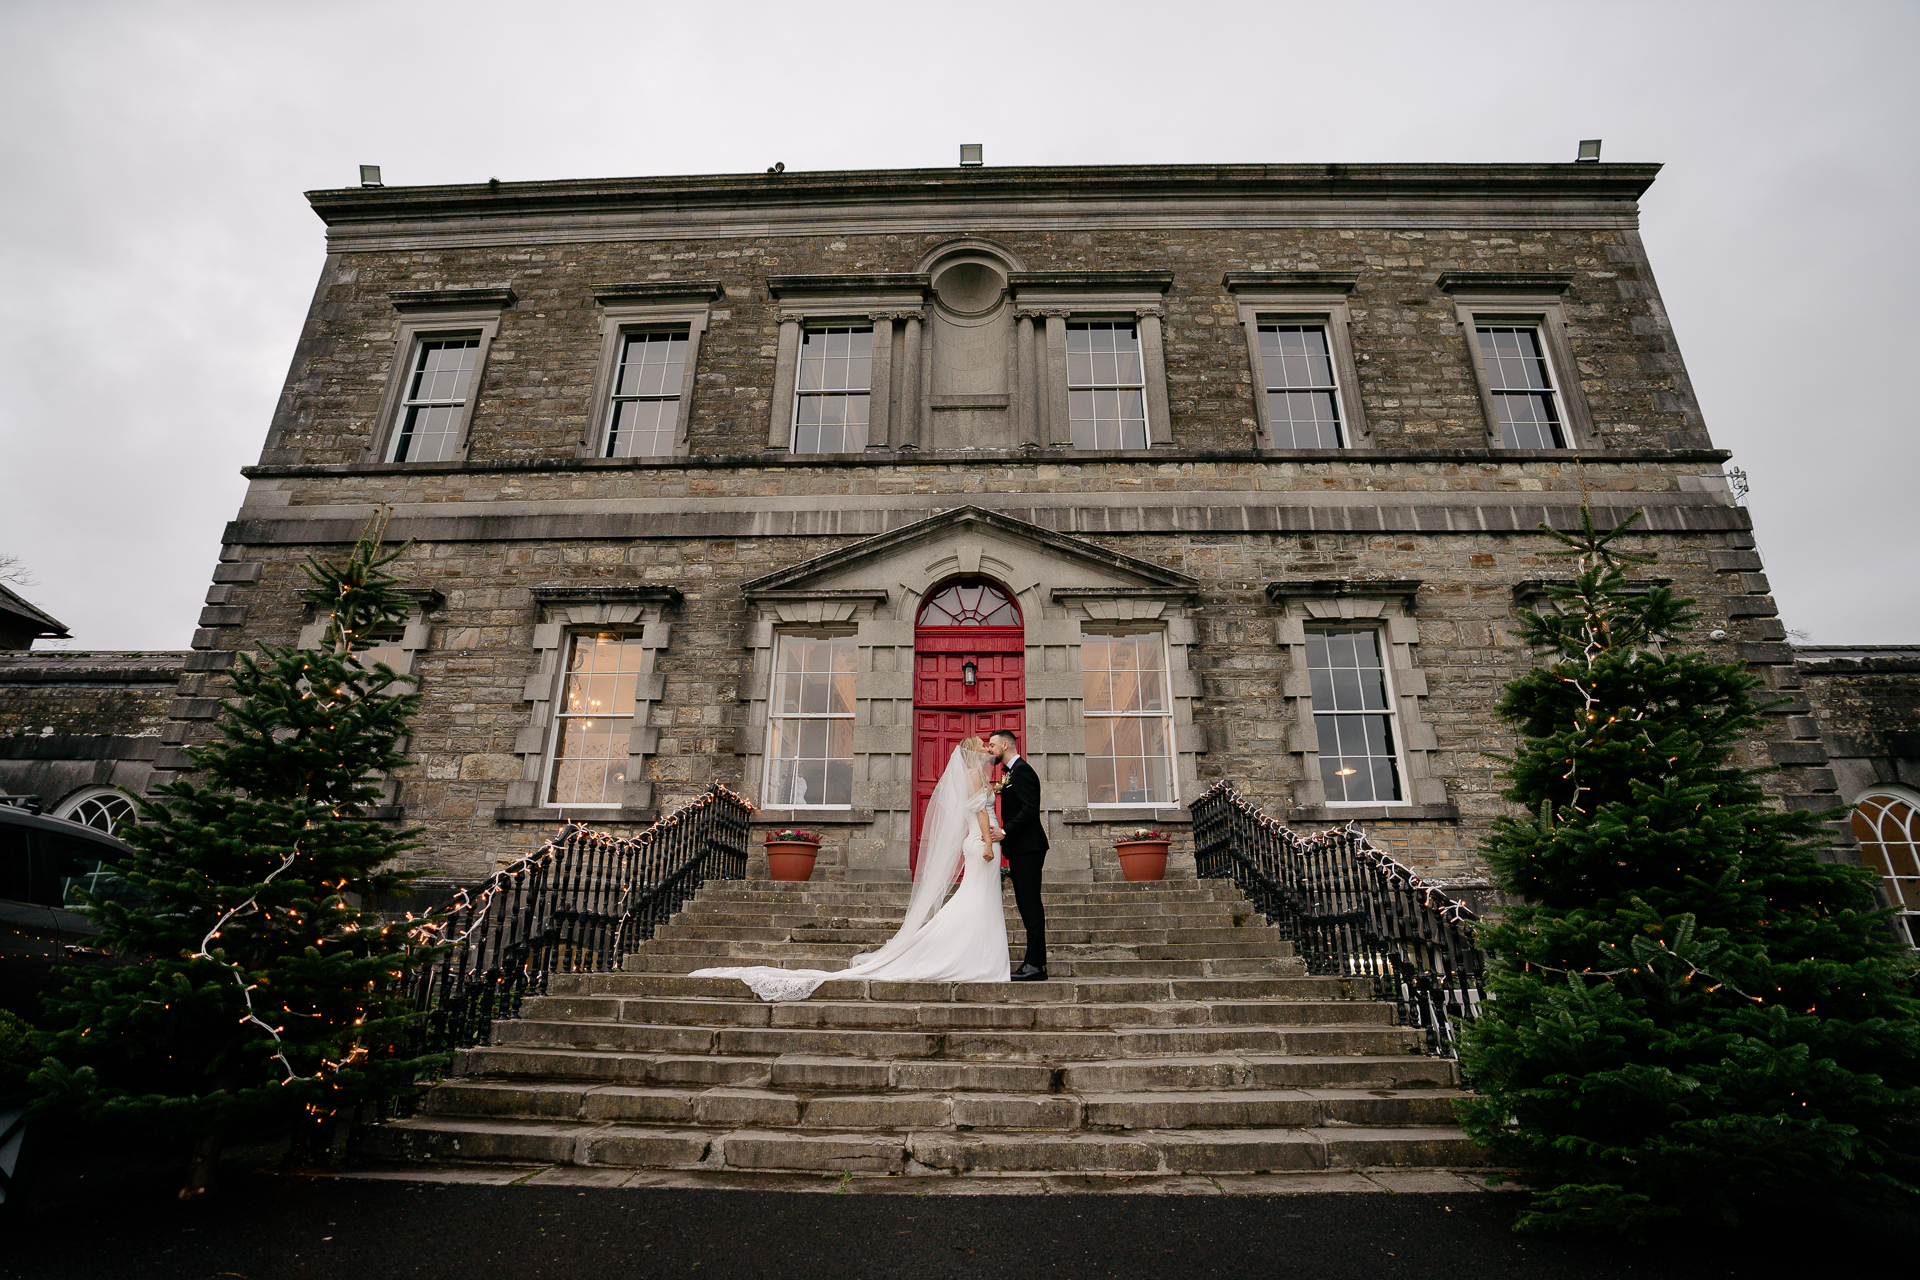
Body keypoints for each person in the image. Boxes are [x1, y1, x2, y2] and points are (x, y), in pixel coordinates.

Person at [691, 738, 1009, 1002]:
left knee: (977, 900)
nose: (986, 748)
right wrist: (986, 842)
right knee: (977, 901)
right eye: (982, 745)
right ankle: (976, 960)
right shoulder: (975, 776)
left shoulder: (975, 777)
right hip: (983, 841)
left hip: (983, 839)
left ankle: (977, 957)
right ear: (972, 752)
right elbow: (980, 811)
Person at [985, 727, 1049, 980]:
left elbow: (1030, 809)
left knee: (1030, 906)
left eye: (992, 745)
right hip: (1022, 849)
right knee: (1026, 905)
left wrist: (1004, 831)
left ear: (1006, 745)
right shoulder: (1013, 772)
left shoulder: (1023, 771)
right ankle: (1034, 964)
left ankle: (1036, 966)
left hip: (1028, 848)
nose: (990, 749)